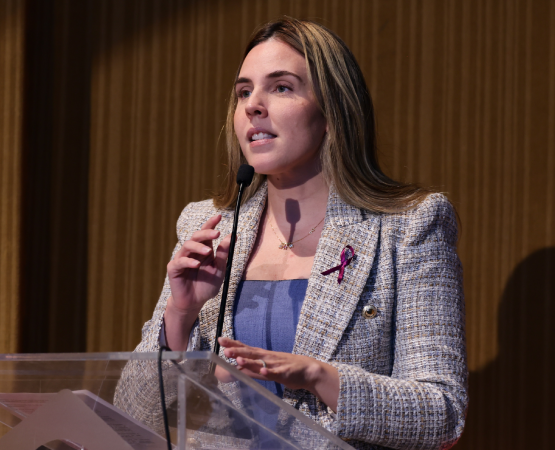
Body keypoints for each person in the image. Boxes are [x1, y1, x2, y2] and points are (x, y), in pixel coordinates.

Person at [114, 17, 467, 450]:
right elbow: (135, 416)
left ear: (332, 111)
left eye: (281, 87)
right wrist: (179, 316)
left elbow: (443, 413)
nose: (253, 106)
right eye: (244, 92)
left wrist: (318, 376)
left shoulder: (409, 225)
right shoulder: (206, 224)